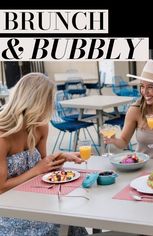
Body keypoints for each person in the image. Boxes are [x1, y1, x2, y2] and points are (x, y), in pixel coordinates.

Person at [0, 73, 88, 235]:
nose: (52, 107)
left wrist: (61, 157)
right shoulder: (3, 136)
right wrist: (38, 169)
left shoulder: (40, 126)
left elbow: (42, 166)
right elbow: (1, 187)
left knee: (73, 221)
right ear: (37, 103)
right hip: (11, 211)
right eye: (50, 102)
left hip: (38, 200)